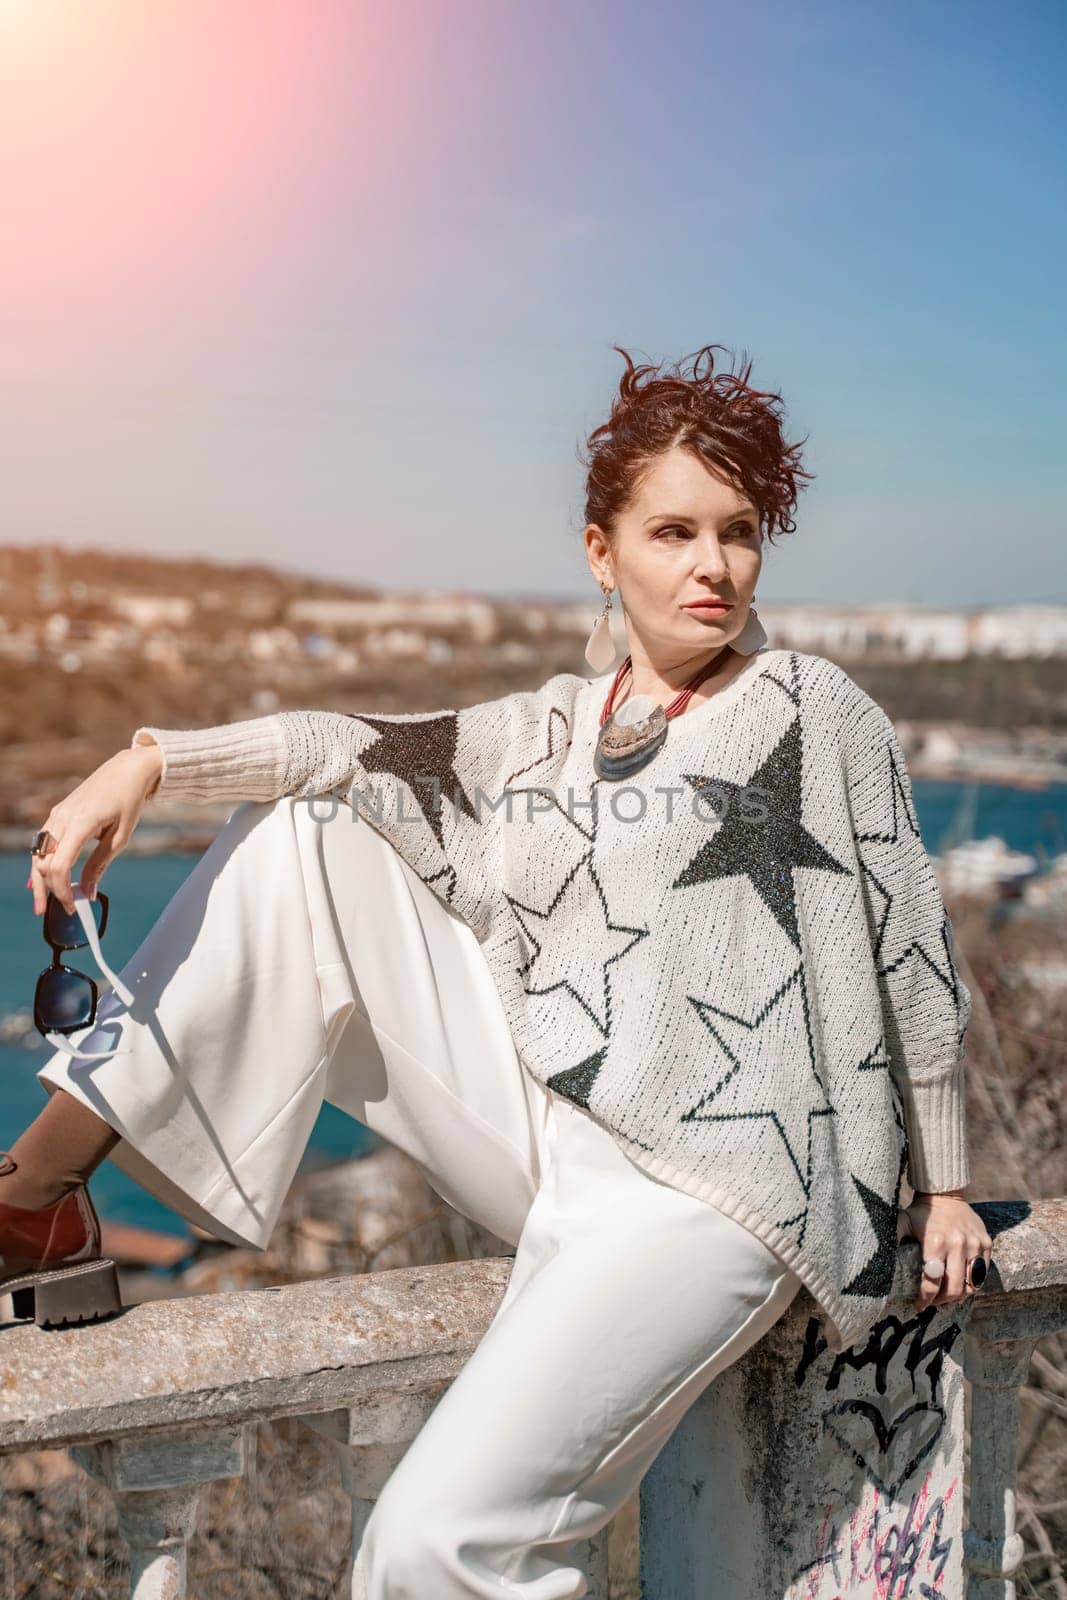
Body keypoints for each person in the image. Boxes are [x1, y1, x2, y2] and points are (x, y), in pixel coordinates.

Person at [9, 343, 993, 1599]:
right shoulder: (546, 732)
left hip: (718, 1188)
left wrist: (948, 1181)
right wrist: (142, 768)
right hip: (557, 1131)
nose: (711, 566)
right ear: (601, 550)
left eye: (738, 533)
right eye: (673, 531)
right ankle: (37, 1193)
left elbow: (911, 949)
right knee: (315, 822)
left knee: (431, 1548)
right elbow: (339, 741)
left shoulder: (817, 710)